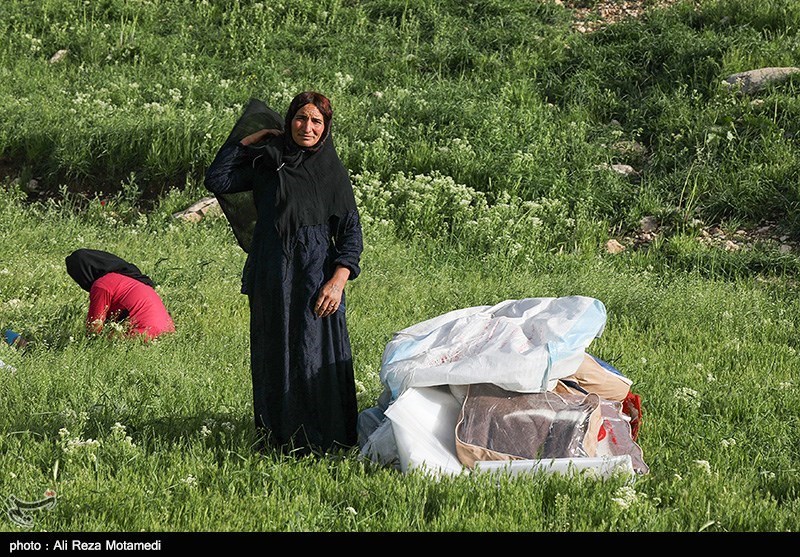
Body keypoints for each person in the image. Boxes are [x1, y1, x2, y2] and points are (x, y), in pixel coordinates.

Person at [204, 91, 363, 457]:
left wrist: (337, 281)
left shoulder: (332, 173)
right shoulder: (268, 162)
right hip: (272, 273)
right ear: (289, 120)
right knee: (274, 350)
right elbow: (218, 180)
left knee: (313, 352)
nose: (307, 127)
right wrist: (247, 141)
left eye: (316, 121)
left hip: (315, 276)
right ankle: (278, 438)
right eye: (300, 118)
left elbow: (351, 234)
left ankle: (326, 439)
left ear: (326, 128)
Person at [65, 249, 175, 341]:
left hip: (143, 334)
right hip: (167, 333)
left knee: (104, 343)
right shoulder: (128, 278)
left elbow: (94, 327)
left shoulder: (102, 285)